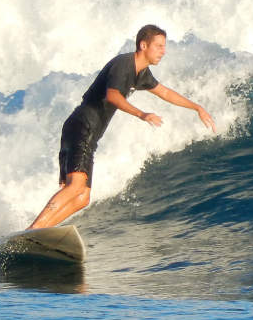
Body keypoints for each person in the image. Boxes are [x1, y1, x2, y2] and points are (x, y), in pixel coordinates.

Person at [29, 24, 215, 229]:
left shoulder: (141, 73)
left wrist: (196, 107)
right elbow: (113, 95)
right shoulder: (124, 64)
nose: (163, 51)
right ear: (143, 45)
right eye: (159, 46)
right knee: (75, 187)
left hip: (87, 133)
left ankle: (41, 232)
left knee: (82, 197)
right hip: (82, 126)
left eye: (164, 46)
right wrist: (141, 114)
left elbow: (165, 93)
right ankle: (34, 230)